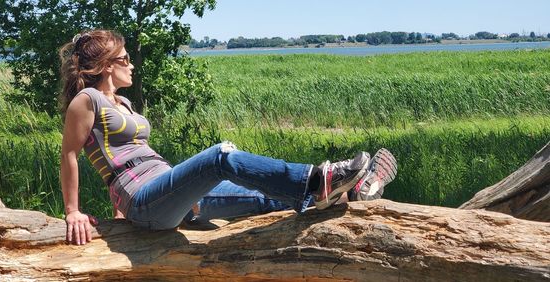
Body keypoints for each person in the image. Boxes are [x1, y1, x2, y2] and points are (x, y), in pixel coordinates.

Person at [59, 30, 398, 245]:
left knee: (264, 197)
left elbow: (127, 155)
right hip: (146, 202)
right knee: (221, 156)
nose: (131, 65)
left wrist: (126, 210)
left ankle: (347, 195)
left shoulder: (126, 103)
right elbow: (71, 154)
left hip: (168, 195)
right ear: (106, 65)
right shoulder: (87, 100)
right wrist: (72, 211)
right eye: (125, 59)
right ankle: (317, 179)